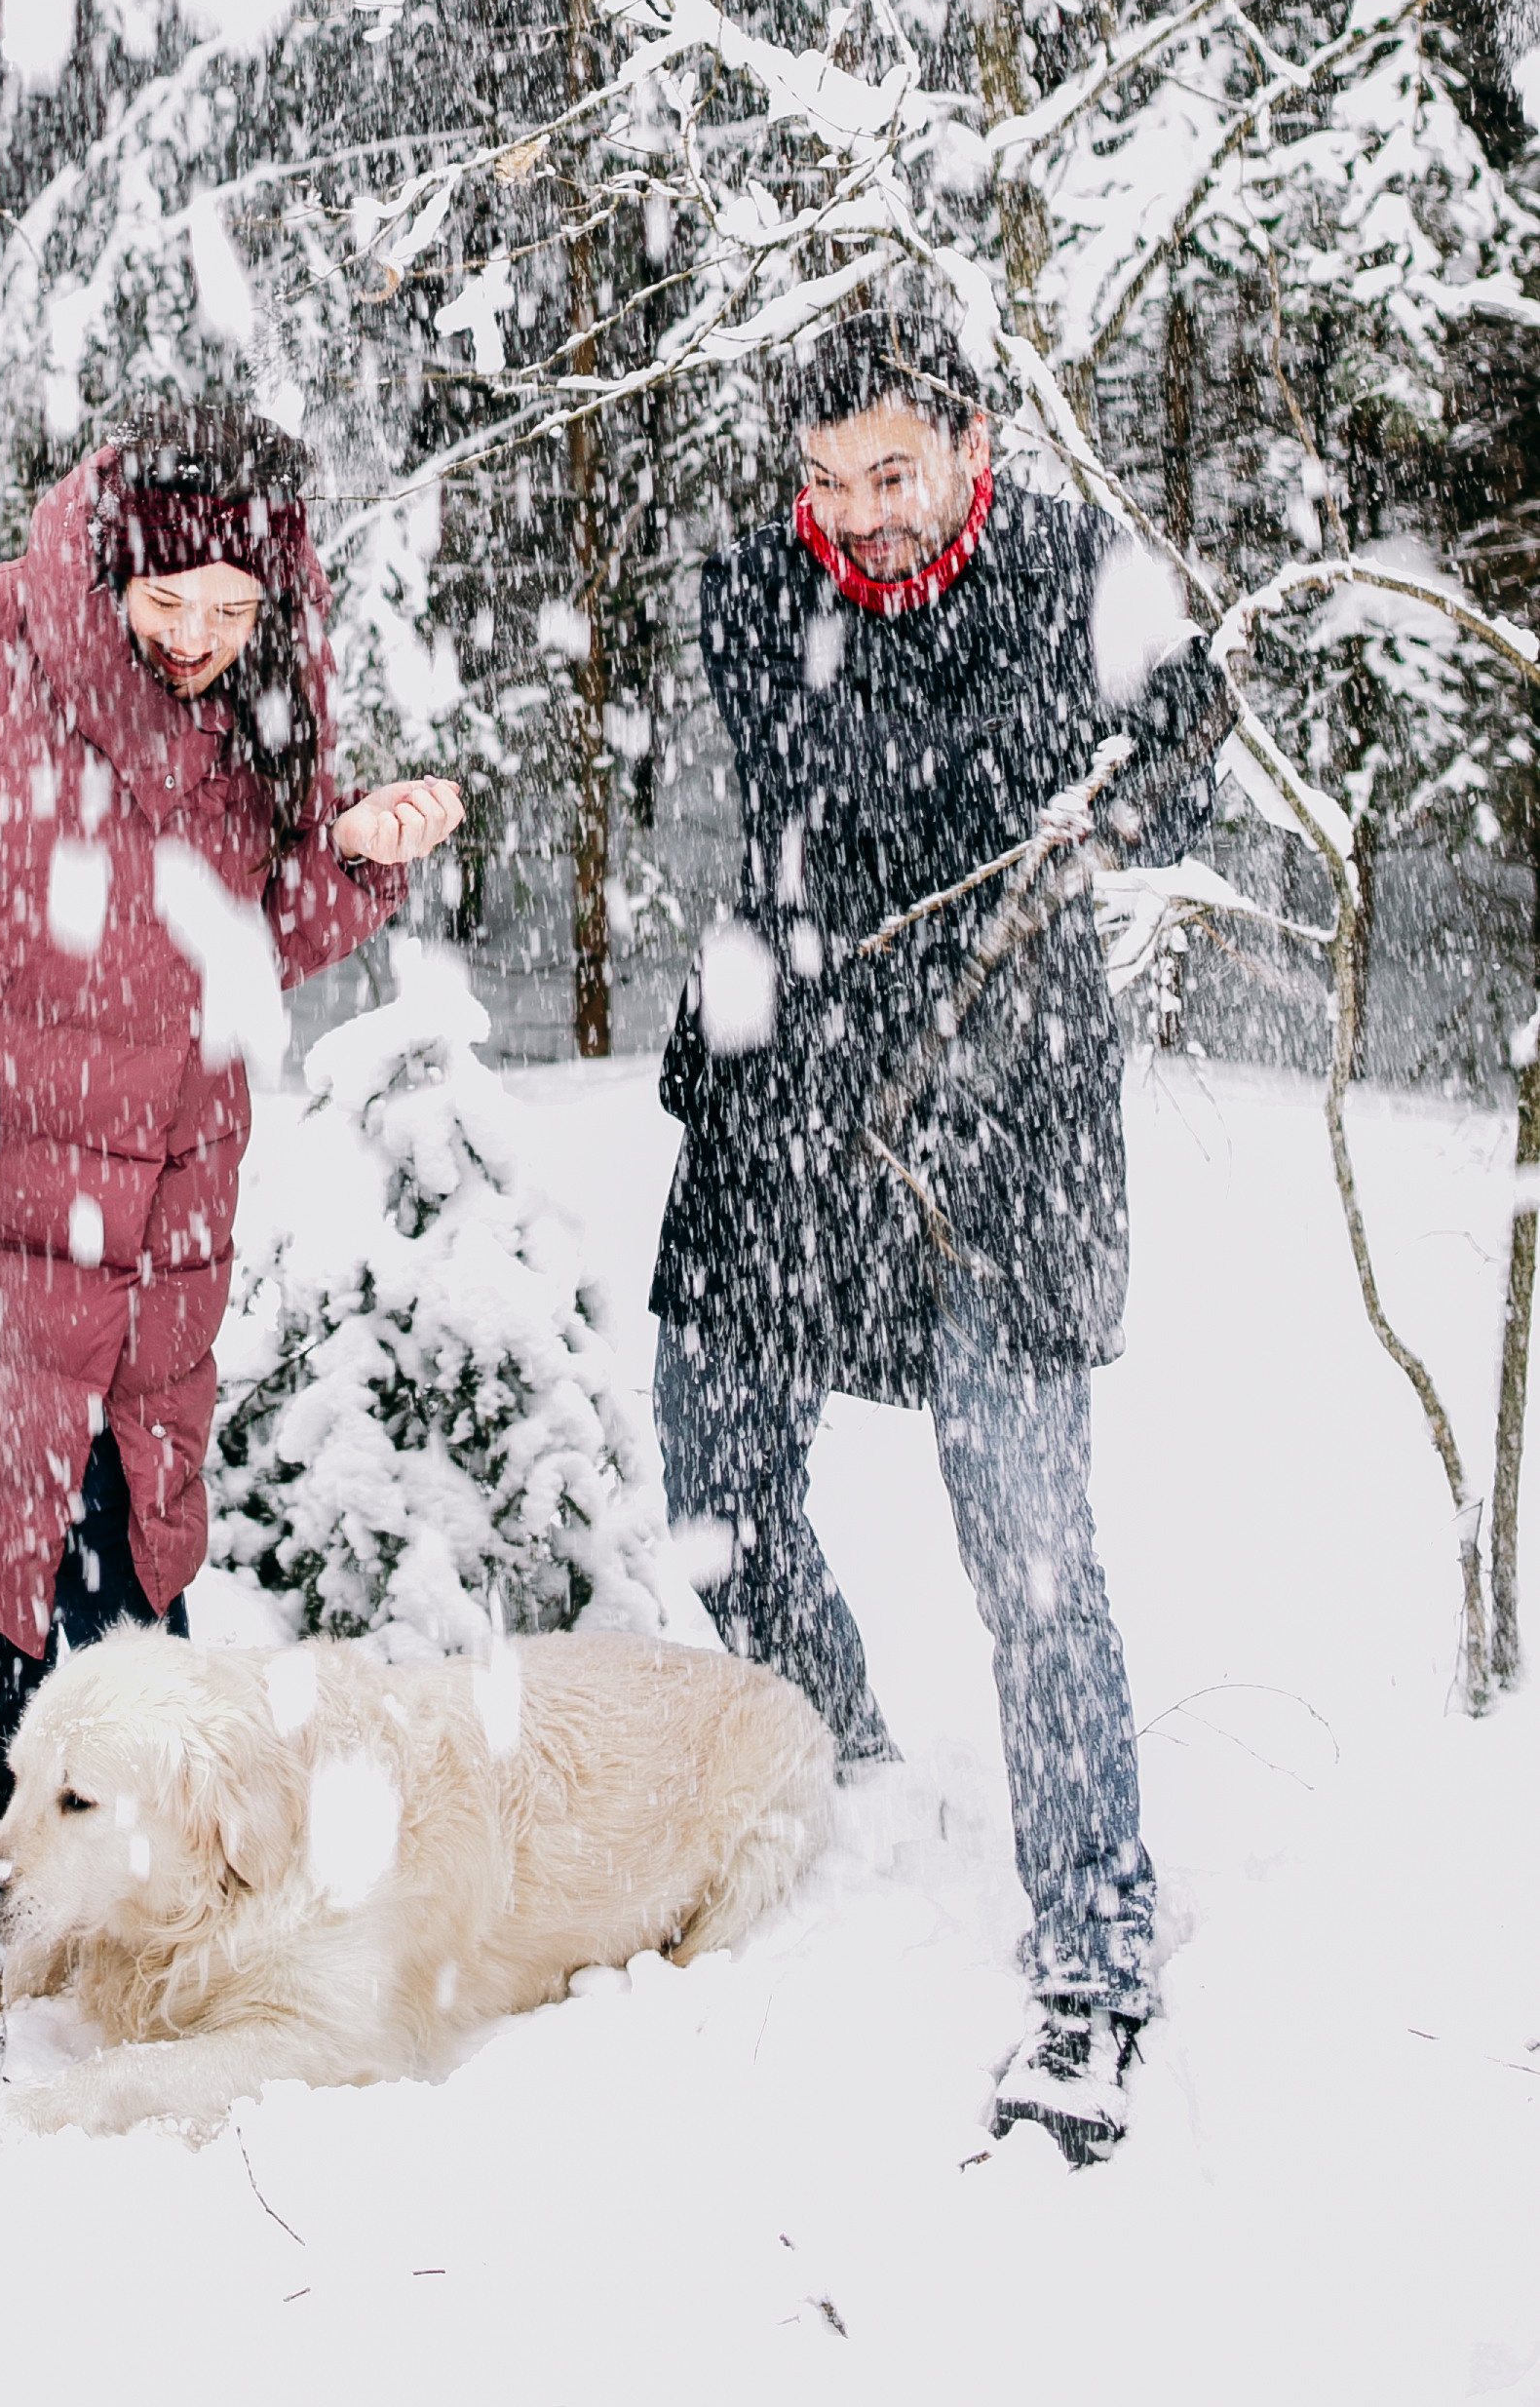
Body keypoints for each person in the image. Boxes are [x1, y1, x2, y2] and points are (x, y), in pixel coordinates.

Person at [651, 309, 1231, 2161]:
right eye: (823, 480)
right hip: (790, 1080)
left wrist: (1118, 784)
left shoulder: (1083, 566)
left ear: (970, 443)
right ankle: (845, 1761)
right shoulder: (753, 589)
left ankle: (1093, 1936)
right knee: (712, 1479)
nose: (857, 514)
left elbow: (1188, 747)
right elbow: (839, 804)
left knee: (1029, 1546)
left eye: (892, 472)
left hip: (1009, 1110)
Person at [0, 401, 464, 1821]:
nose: (201, 631)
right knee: (2, 1537)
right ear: (108, 562)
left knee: (131, 1551)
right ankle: (33, 1823)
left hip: (161, 1195)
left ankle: (144, 1845)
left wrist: (347, 852)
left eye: (232, 602)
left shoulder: (269, 687)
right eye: (169, 597)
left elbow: (256, 931)